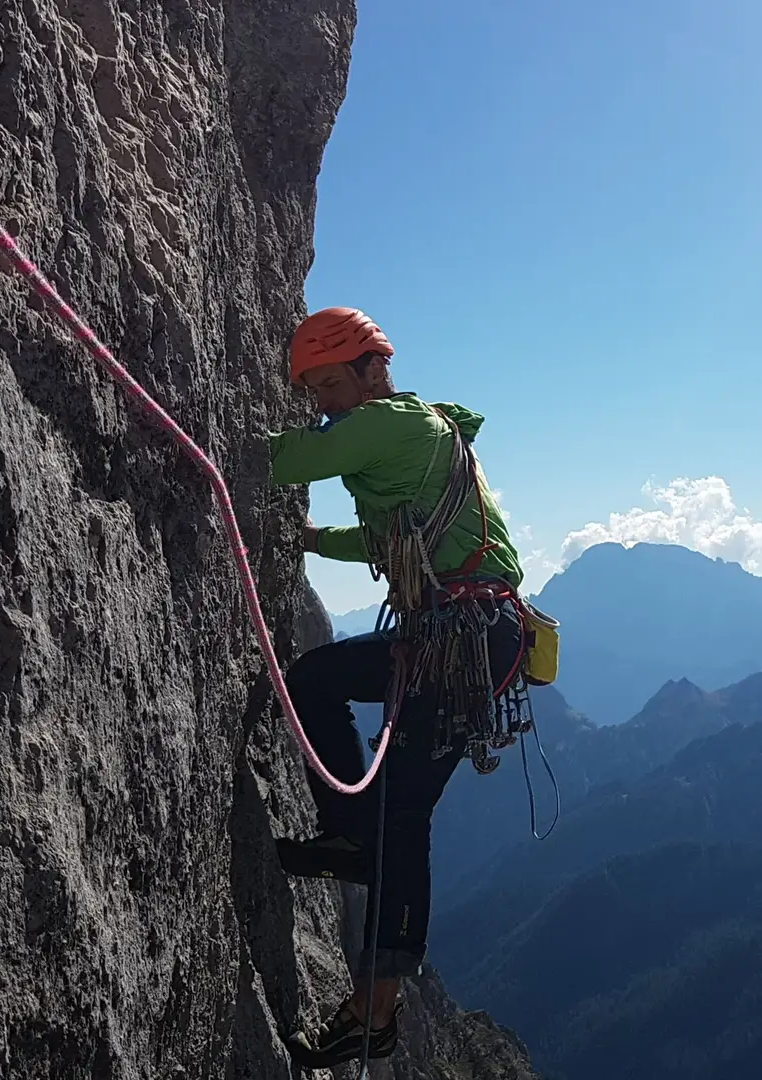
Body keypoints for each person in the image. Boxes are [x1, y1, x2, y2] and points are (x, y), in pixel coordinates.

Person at [264, 306, 530, 1068]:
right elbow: (388, 538)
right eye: (310, 387)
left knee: (404, 813)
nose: (318, 401)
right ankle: (349, 834)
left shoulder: (386, 424)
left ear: (367, 369)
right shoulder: (409, 432)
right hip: (457, 634)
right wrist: (317, 542)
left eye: (324, 383)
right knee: (315, 679)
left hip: (465, 638)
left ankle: (375, 1010)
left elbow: (281, 460)